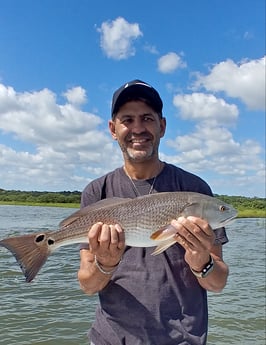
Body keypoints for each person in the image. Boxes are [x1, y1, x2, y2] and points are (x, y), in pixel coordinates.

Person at [78, 80, 229, 345]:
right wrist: (106, 264)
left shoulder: (195, 189)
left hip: (182, 339)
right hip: (111, 339)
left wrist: (201, 261)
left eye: (147, 118)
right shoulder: (96, 191)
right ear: (113, 129)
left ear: (162, 126)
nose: (138, 128)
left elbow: (217, 283)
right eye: (128, 119)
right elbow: (88, 285)